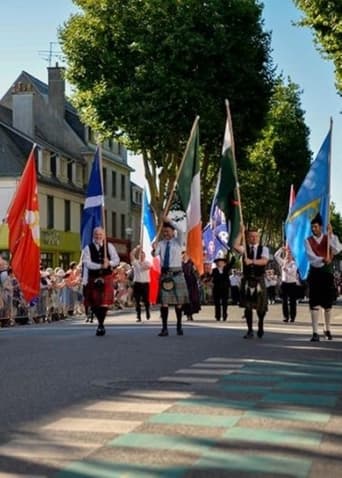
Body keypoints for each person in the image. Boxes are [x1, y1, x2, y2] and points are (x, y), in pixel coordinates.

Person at [305, 213, 342, 342]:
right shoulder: (308, 241)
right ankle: (315, 332)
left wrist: (331, 234)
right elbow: (311, 257)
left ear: (321, 226)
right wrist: (323, 259)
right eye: (312, 227)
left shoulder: (329, 238)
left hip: (327, 274)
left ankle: (327, 329)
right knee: (314, 303)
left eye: (315, 226)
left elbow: (337, 249)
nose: (313, 229)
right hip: (315, 273)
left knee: (327, 304)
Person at [152, 217, 189, 336]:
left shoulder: (178, 241)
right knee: (164, 302)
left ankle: (179, 326)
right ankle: (164, 328)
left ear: (173, 232)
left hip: (177, 273)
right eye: (164, 232)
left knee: (179, 303)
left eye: (167, 231)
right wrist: (154, 247)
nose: (165, 234)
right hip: (165, 274)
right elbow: (154, 254)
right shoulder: (161, 243)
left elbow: (181, 230)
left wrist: (170, 221)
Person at [82, 227, 120, 336]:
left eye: (100, 234)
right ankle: (100, 322)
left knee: (104, 303)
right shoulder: (87, 248)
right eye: (96, 234)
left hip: (106, 276)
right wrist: (100, 265)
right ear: (93, 235)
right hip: (93, 277)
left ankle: (101, 324)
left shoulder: (109, 246)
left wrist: (109, 263)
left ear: (103, 235)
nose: (98, 236)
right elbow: (87, 263)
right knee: (94, 303)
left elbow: (116, 260)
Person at [234, 226, 269, 338]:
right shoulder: (245, 249)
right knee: (248, 306)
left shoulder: (264, 249)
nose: (254, 238)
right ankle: (249, 330)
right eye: (251, 236)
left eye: (255, 236)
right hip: (248, 279)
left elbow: (264, 261)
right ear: (248, 237)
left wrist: (251, 261)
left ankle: (260, 325)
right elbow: (235, 246)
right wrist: (240, 232)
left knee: (261, 307)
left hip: (259, 279)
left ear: (259, 237)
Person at [274, 246, 298, 323]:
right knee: (284, 301)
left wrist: (286, 269)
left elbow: (293, 271)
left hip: (292, 284)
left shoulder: (294, 263)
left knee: (292, 301)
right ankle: (285, 316)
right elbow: (276, 256)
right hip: (284, 283)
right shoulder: (283, 262)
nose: (288, 255)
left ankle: (292, 317)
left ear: (292, 256)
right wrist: (281, 249)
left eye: (290, 254)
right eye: (287, 254)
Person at [130, 245, 151, 322]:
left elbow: (146, 267)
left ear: (144, 256)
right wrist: (137, 248)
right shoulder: (135, 262)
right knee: (137, 300)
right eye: (140, 255)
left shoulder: (148, 262)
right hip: (137, 283)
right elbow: (131, 255)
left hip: (145, 283)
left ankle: (147, 311)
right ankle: (138, 316)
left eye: (143, 255)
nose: (141, 256)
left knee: (146, 300)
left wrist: (141, 264)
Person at [211, 252, 233, 321]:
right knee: (217, 303)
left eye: (221, 262)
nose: (220, 263)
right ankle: (217, 316)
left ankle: (224, 315)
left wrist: (232, 254)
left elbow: (232, 262)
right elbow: (212, 278)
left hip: (224, 288)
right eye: (218, 262)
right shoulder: (214, 270)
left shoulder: (226, 269)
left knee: (224, 303)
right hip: (217, 288)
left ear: (224, 263)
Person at [182, 251, 201, 321]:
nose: (184, 255)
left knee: (192, 299)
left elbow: (197, 272)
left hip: (191, 282)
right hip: (183, 282)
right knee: (185, 299)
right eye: (183, 254)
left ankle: (190, 314)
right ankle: (187, 314)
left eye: (186, 254)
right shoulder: (180, 263)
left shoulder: (192, 263)